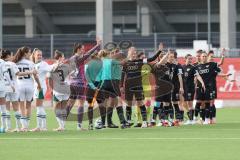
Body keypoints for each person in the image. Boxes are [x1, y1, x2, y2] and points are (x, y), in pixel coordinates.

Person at [65, 38, 101, 130]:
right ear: (78, 49)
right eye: (82, 49)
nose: (83, 50)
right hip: (80, 83)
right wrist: (97, 46)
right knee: (80, 104)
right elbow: (87, 55)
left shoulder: (71, 58)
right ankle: (79, 126)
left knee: (70, 103)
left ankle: (61, 124)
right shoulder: (77, 58)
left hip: (72, 83)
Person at [122, 46, 162, 128]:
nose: (134, 54)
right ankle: (129, 121)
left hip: (138, 86)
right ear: (128, 53)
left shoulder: (140, 61)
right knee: (128, 103)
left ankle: (144, 122)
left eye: (135, 53)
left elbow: (151, 59)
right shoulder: (125, 63)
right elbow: (123, 75)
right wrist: (121, 86)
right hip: (128, 86)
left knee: (140, 103)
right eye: (132, 53)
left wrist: (159, 51)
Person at [13, 46, 41, 132]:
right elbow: (35, 75)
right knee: (28, 106)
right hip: (29, 86)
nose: (30, 54)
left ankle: (23, 126)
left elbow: (15, 74)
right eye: (29, 52)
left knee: (21, 107)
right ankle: (27, 126)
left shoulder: (16, 63)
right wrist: (39, 85)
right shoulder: (30, 63)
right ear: (25, 53)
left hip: (20, 86)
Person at [30, 48, 53, 132]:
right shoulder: (33, 64)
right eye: (38, 55)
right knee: (40, 106)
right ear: (34, 55)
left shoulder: (43, 64)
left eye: (40, 55)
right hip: (37, 87)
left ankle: (39, 127)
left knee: (38, 106)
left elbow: (50, 69)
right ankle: (44, 126)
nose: (39, 56)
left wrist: (57, 64)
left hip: (40, 87)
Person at [48, 50, 71, 131]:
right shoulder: (67, 66)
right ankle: (63, 126)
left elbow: (49, 79)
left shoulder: (52, 66)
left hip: (58, 89)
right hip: (66, 89)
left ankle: (61, 126)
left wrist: (51, 88)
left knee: (56, 108)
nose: (64, 58)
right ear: (60, 57)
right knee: (63, 107)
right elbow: (73, 75)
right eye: (63, 56)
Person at [182, 54, 205, 125]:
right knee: (184, 104)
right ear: (185, 59)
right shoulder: (182, 67)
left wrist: (202, 82)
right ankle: (191, 119)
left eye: (191, 59)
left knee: (190, 103)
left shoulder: (193, 67)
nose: (190, 60)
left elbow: (197, 75)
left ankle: (191, 120)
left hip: (190, 88)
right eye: (189, 58)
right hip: (183, 88)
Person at [1, 49, 21, 132]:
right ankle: (17, 127)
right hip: (13, 87)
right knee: (16, 107)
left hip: (4, 87)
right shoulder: (12, 64)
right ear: (8, 56)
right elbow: (17, 74)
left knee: (7, 108)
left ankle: (8, 127)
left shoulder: (2, 63)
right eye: (11, 55)